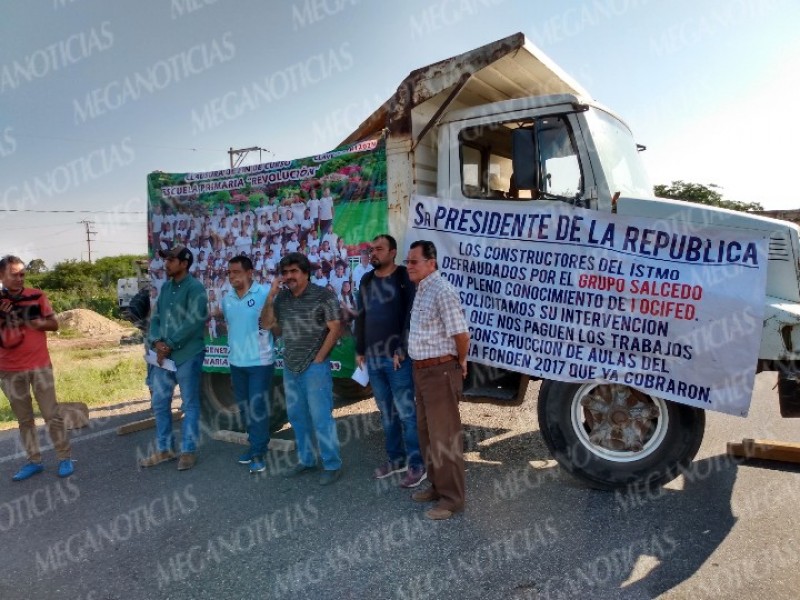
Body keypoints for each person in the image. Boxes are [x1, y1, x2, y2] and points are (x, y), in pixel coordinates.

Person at [260, 252, 342, 485]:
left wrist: (319, 358)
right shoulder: (282, 299)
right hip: (290, 367)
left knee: (320, 418)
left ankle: (332, 464)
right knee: (297, 417)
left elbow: (335, 328)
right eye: (285, 272)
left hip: (314, 368)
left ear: (306, 273)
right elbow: (267, 325)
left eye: (294, 271)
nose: (289, 276)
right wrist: (271, 294)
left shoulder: (323, 295)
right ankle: (307, 460)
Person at [405, 240, 470, 520]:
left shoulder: (442, 291)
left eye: (413, 262)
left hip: (440, 371)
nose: (408, 267)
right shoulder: (422, 289)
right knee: (427, 434)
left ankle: (452, 499)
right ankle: (437, 486)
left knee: (443, 437)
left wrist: (461, 361)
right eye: (407, 262)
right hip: (421, 371)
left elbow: (461, 335)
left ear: (431, 263)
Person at [355, 235, 425, 488]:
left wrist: (402, 349)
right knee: (386, 413)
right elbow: (361, 315)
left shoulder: (405, 277)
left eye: (379, 249)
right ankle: (396, 459)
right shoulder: (366, 279)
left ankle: (418, 464)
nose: (373, 253)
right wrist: (359, 348)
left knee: (407, 413)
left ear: (393, 252)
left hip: (397, 359)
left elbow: (411, 315)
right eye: (371, 249)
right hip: (372, 358)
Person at [0, 255, 74, 481]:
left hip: (39, 365)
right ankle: (34, 461)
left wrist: (23, 318)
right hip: (8, 369)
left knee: (51, 414)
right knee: (24, 420)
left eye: (22, 274)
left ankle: (64, 458)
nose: (20, 278)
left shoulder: (38, 296)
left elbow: (53, 324)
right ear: (1, 276)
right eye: (15, 274)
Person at [141, 245, 208, 471]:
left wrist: (168, 345)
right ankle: (165, 449)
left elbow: (194, 322)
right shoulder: (165, 289)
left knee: (189, 404)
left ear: (184, 263)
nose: (166, 263)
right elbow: (156, 318)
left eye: (171, 260)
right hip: (164, 357)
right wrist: (156, 341)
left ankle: (188, 451)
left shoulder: (195, 288)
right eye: (166, 259)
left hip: (188, 354)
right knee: (160, 403)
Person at [222, 256, 275, 474]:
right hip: (236, 362)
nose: (232, 276)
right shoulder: (226, 299)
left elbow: (272, 324)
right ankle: (255, 444)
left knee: (257, 408)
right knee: (245, 408)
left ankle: (258, 452)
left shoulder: (264, 294)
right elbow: (230, 325)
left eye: (237, 272)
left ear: (250, 272)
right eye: (229, 273)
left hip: (260, 363)